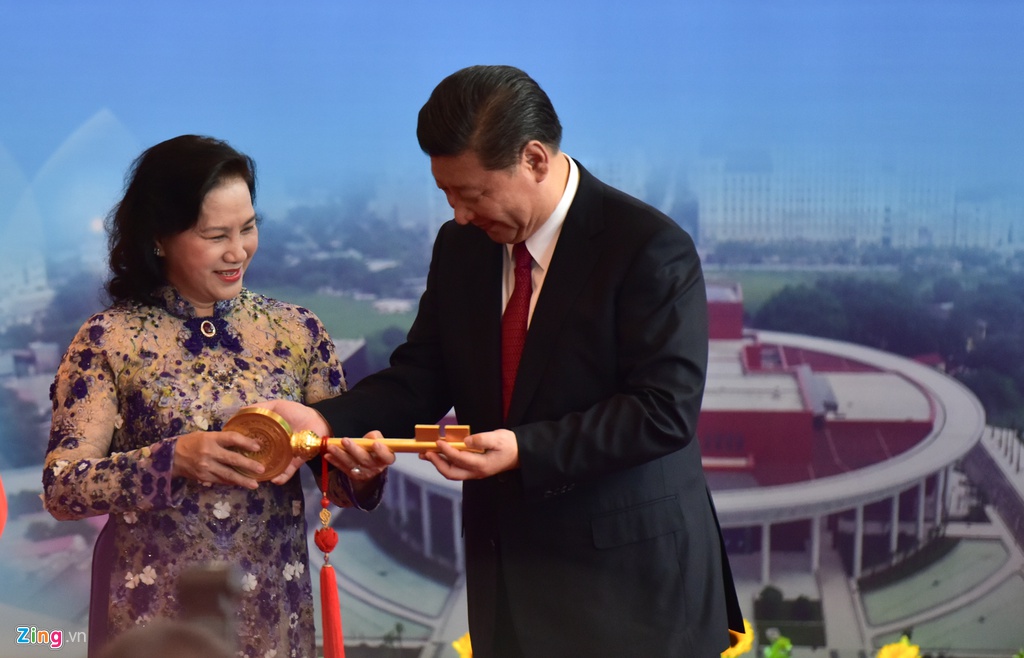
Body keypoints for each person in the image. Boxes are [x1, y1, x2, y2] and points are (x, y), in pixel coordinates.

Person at [265, 65, 744, 657]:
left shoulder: (647, 247)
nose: (460, 215)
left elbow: (662, 412)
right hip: (507, 582)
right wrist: (327, 421)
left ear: (534, 160)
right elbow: (422, 375)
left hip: (632, 588)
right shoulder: (461, 246)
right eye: (447, 195)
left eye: (472, 194)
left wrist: (523, 449)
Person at [42, 135, 392, 657]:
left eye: (248, 228)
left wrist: (362, 472)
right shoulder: (108, 340)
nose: (238, 251)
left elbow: (334, 481)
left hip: (273, 613)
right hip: (155, 624)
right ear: (159, 238)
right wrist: (172, 460)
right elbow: (63, 488)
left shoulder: (297, 331)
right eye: (216, 235)